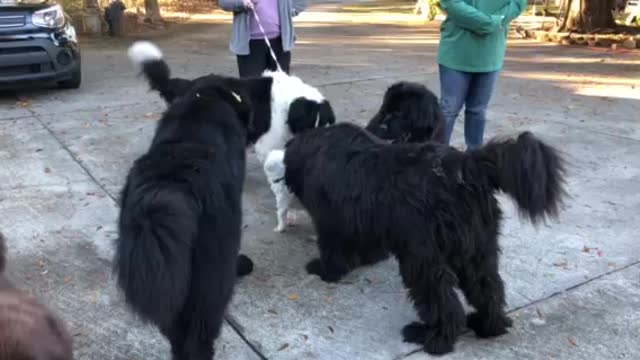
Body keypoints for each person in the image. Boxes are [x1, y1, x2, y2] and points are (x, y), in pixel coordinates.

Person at [437, 0, 527, 150]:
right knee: (449, 109)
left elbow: (519, 3)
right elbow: (451, 3)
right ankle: (436, 157)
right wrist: (489, 23)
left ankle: (475, 159)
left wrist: (497, 20)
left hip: (490, 53)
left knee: (477, 110)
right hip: (456, 52)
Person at [219, 0, 308, 77]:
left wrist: (288, 11)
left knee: (279, 89)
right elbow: (224, 2)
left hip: (280, 43)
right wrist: (242, 2)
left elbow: (301, 2)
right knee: (252, 89)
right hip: (249, 45)